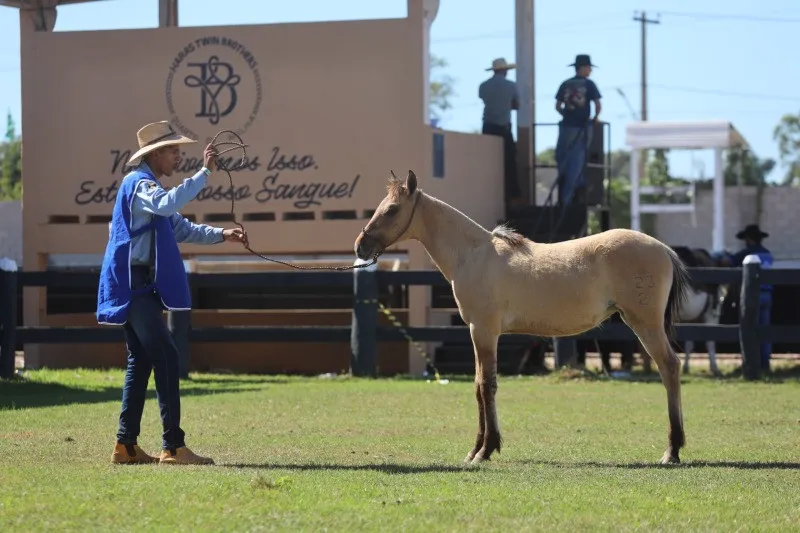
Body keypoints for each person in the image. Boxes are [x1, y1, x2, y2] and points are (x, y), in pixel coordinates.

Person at [98, 120, 248, 465]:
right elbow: (167, 207)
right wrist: (204, 174)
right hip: (135, 284)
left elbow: (178, 226)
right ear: (155, 154)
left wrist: (221, 233)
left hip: (136, 284)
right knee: (166, 356)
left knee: (142, 359)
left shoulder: (147, 188)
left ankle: (127, 446)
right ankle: (173, 446)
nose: (178, 155)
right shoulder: (140, 185)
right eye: (172, 150)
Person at [554, 54, 602, 206]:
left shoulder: (565, 83)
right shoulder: (589, 84)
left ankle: (566, 196)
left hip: (566, 127)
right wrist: (594, 118)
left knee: (564, 160)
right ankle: (572, 196)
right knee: (577, 161)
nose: (590, 71)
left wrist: (568, 116)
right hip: (582, 127)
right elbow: (598, 106)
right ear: (582, 68)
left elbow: (558, 106)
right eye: (588, 68)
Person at [478, 57, 524, 208]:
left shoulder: (484, 86)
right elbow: (516, 105)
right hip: (504, 128)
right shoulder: (511, 86)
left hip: (488, 127)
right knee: (510, 162)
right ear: (504, 70)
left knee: (489, 163)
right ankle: (513, 196)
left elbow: (485, 100)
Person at [729, 224, 774, 372]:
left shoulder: (746, 255)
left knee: (748, 328)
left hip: (752, 297)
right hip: (767, 295)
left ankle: (750, 363)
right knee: (764, 329)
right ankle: (765, 363)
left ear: (749, 239)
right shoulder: (768, 254)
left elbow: (731, 261)